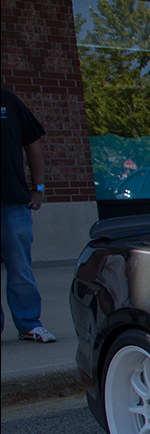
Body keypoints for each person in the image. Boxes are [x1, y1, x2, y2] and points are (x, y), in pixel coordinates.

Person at [1, 87, 55, 342]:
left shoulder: (8, 100)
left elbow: (33, 145)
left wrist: (40, 188)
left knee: (20, 268)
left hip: (13, 203)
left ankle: (29, 324)